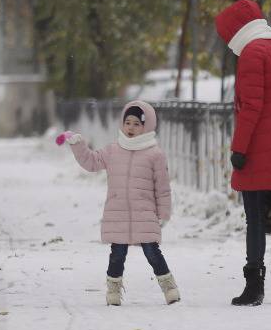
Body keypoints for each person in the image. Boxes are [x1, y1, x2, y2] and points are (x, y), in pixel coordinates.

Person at [215, 0, 271, 306]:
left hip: (258, 148)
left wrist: (239, 148)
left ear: (236, 31)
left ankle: (254, 286)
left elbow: (251, 106)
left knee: (254, 219)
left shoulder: (252, 54)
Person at [56, 101, 180, 306]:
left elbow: (162, 187)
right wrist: (78, 145)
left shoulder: (155, 154)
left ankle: (169, 287)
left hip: (145, 214)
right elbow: (91, 161)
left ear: (147, 126)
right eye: (127, 122)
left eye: (136, 124)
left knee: (152, 252)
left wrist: (163, 213)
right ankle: (113, 291)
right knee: (117, 255)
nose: (131, 127)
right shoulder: (113, 150)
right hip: (118, 213)